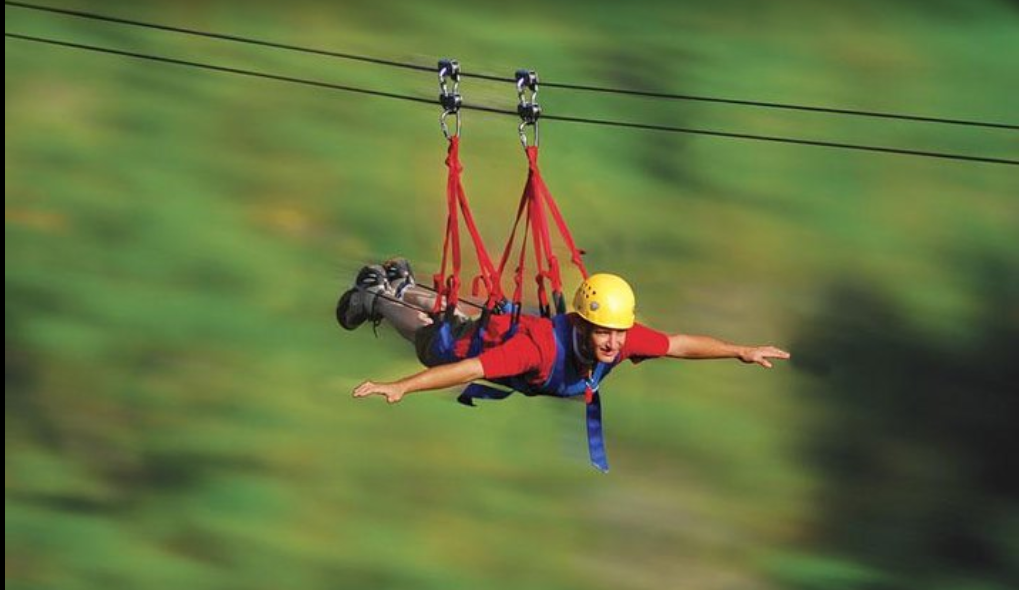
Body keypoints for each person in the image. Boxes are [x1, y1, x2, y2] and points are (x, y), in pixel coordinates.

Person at [336, 258, 790, 470]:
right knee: (433, 338)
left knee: (461, 318)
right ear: (583, 324)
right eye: (604, 333)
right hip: (471, 351)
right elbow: (469, 371)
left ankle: (402, 285)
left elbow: (679, 344)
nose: (613, 343)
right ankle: (376, 297)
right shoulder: (538, 350)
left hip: (495, 329)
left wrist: (740, 350)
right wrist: (402, 386)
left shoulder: (623, 337)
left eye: (618, 333)